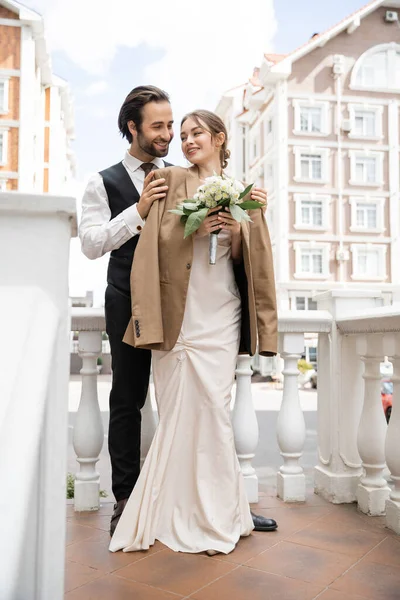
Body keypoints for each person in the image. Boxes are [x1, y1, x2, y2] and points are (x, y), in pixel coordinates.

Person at [80, 87, 276, 537]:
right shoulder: (102, 182)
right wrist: (139, 209)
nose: (170, 135)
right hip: (128, 299)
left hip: (188, 303)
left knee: (203, 405)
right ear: (132, 128)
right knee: (128, 400)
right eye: (160, 127)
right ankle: (127, 500)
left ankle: (222, 504)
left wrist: (249, 211)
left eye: (176, 127)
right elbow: (91, 244)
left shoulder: (183, 176)